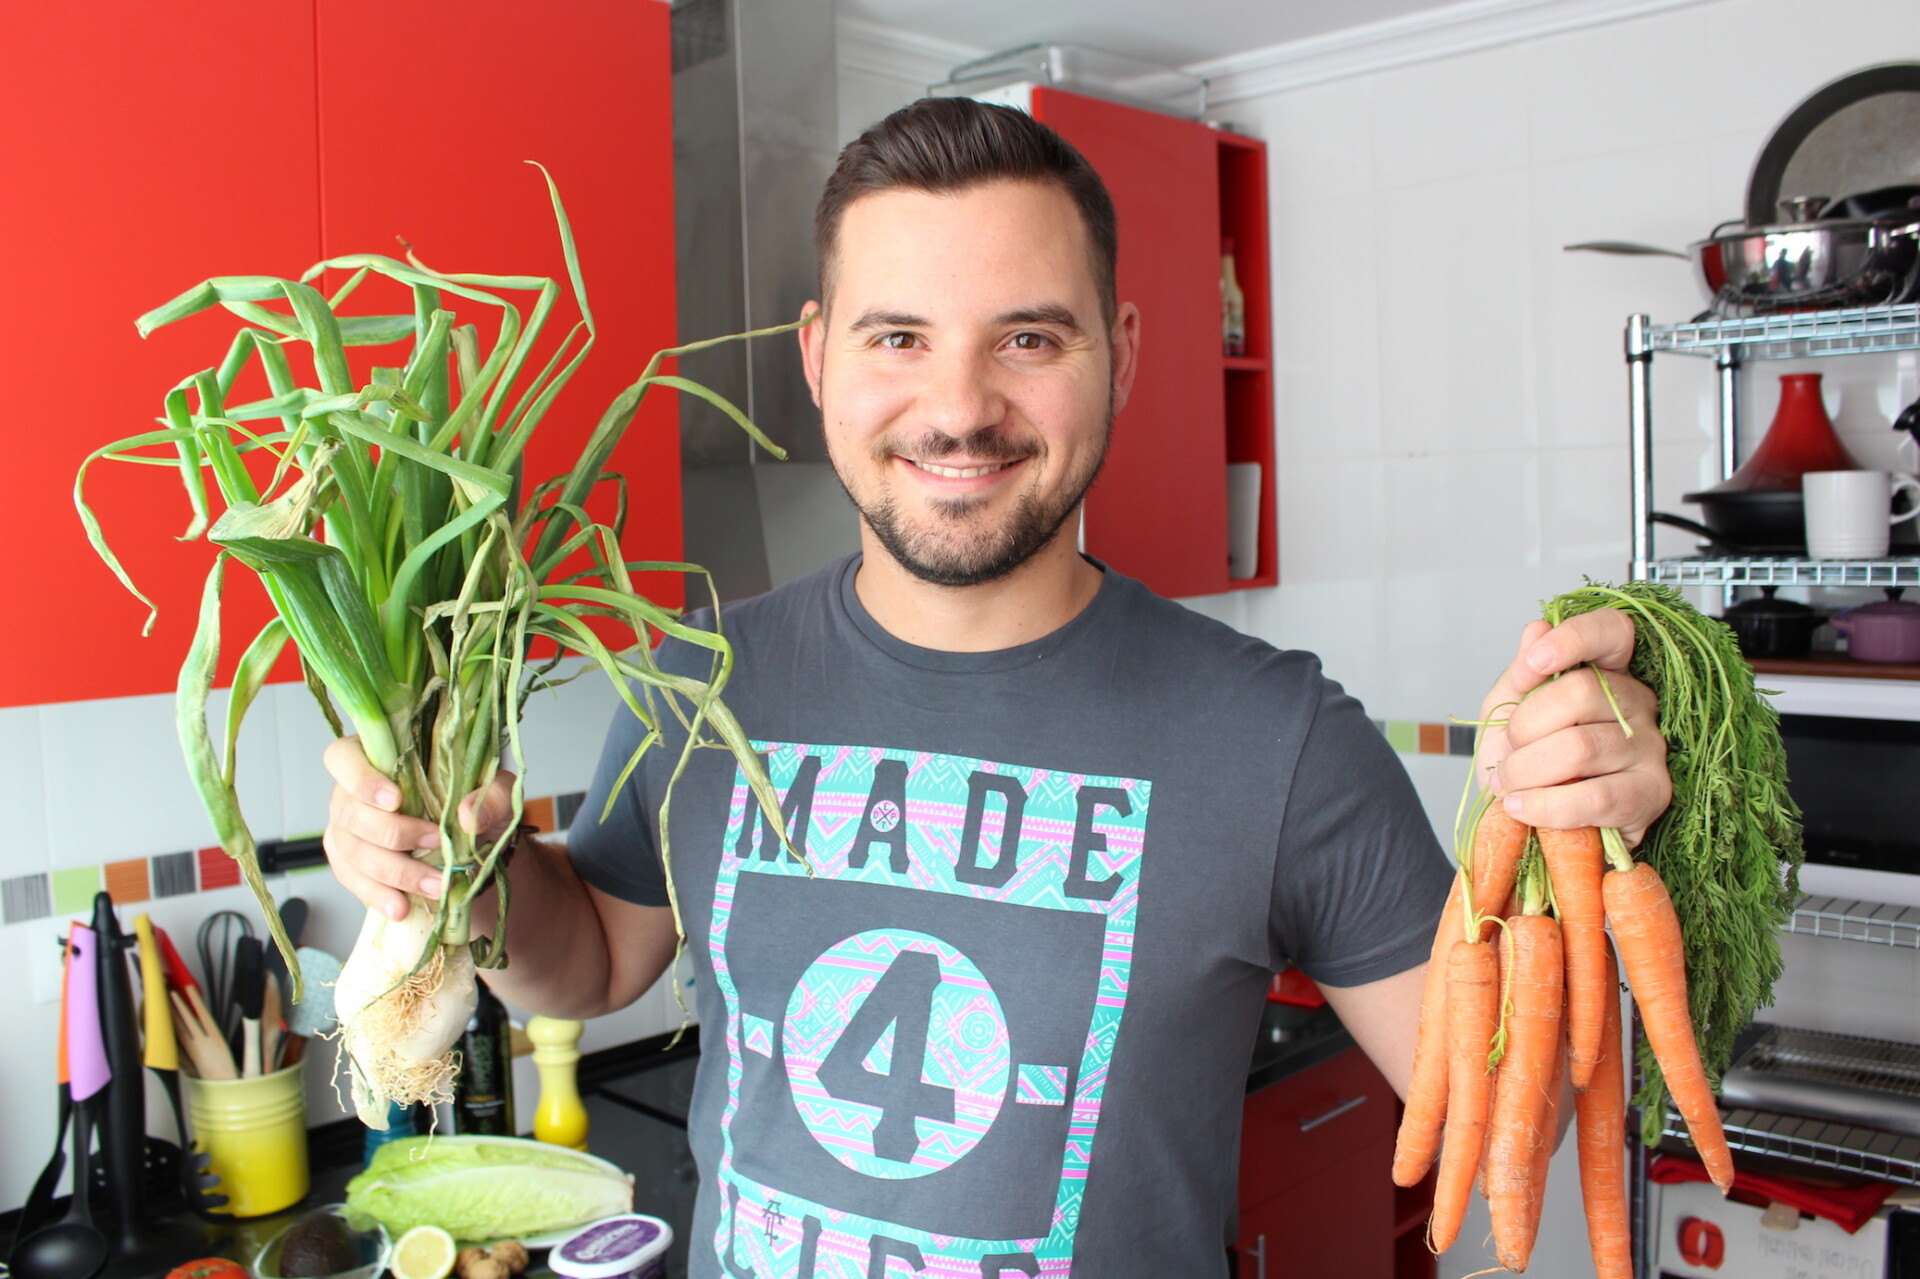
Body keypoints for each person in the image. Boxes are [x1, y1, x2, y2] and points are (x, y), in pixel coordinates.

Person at [322, 98, 1670, 1277]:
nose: (959, 407)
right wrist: (469, 878)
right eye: (897, 337)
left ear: (1122, 354)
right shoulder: (700, 677)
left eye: (1027, 338)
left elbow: (1518, 1119)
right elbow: (596, 965)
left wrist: (1580, 849)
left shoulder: (1278, 739)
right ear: (817, 358)